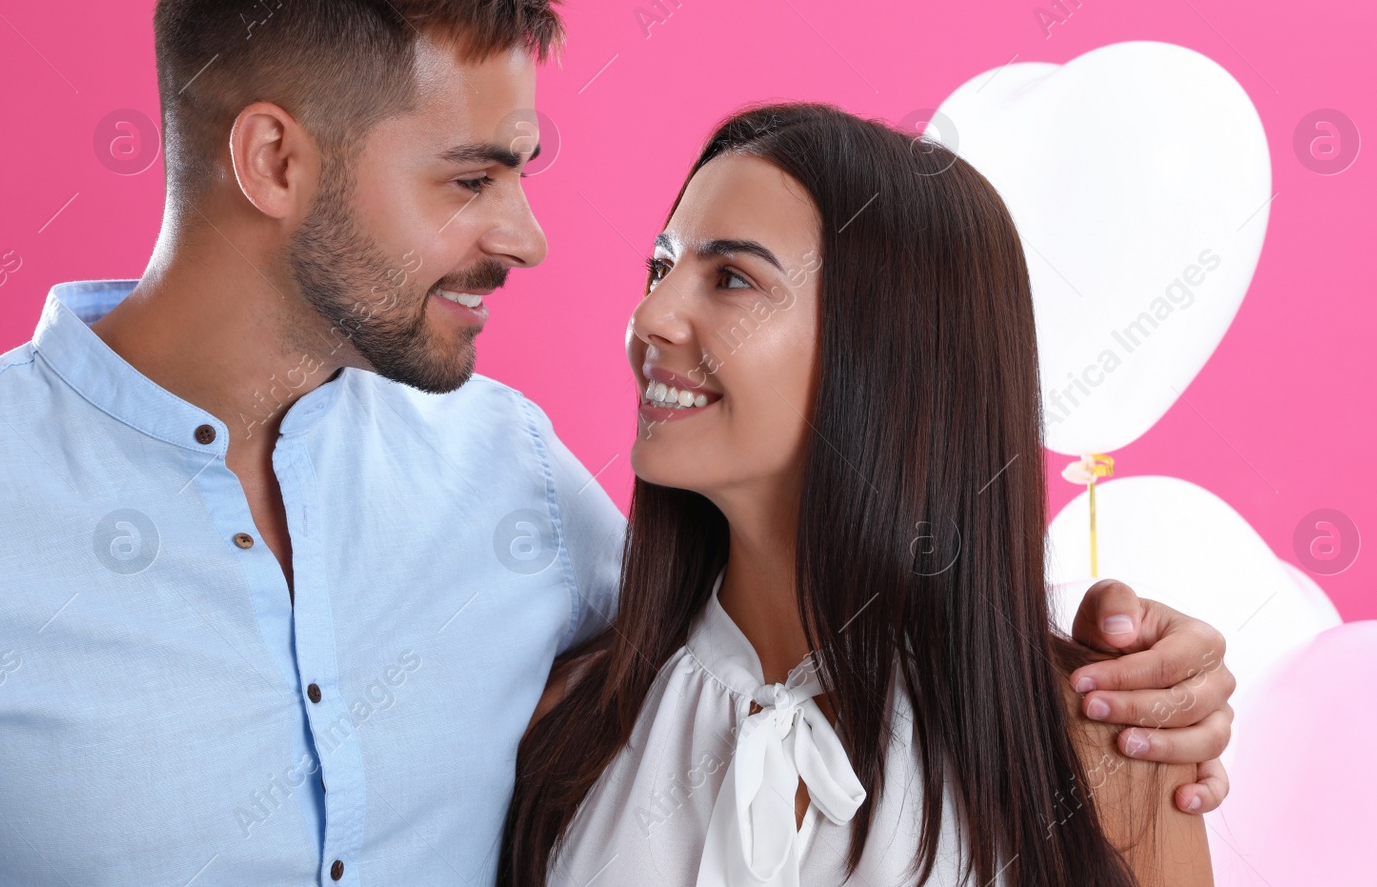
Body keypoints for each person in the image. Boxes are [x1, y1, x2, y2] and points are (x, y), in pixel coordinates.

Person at [0, 0, 1230, 885]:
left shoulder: (514, 482)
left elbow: (819, 616)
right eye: (471, 178)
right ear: (274, 161)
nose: (533, 240)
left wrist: (1148, 672)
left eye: (725, 273)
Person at [502, 104, 1220, 887]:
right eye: (660, 268)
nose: (651, 317)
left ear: (886, 353)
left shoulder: (1104, 757)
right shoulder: (570, 724)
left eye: (732, 278)